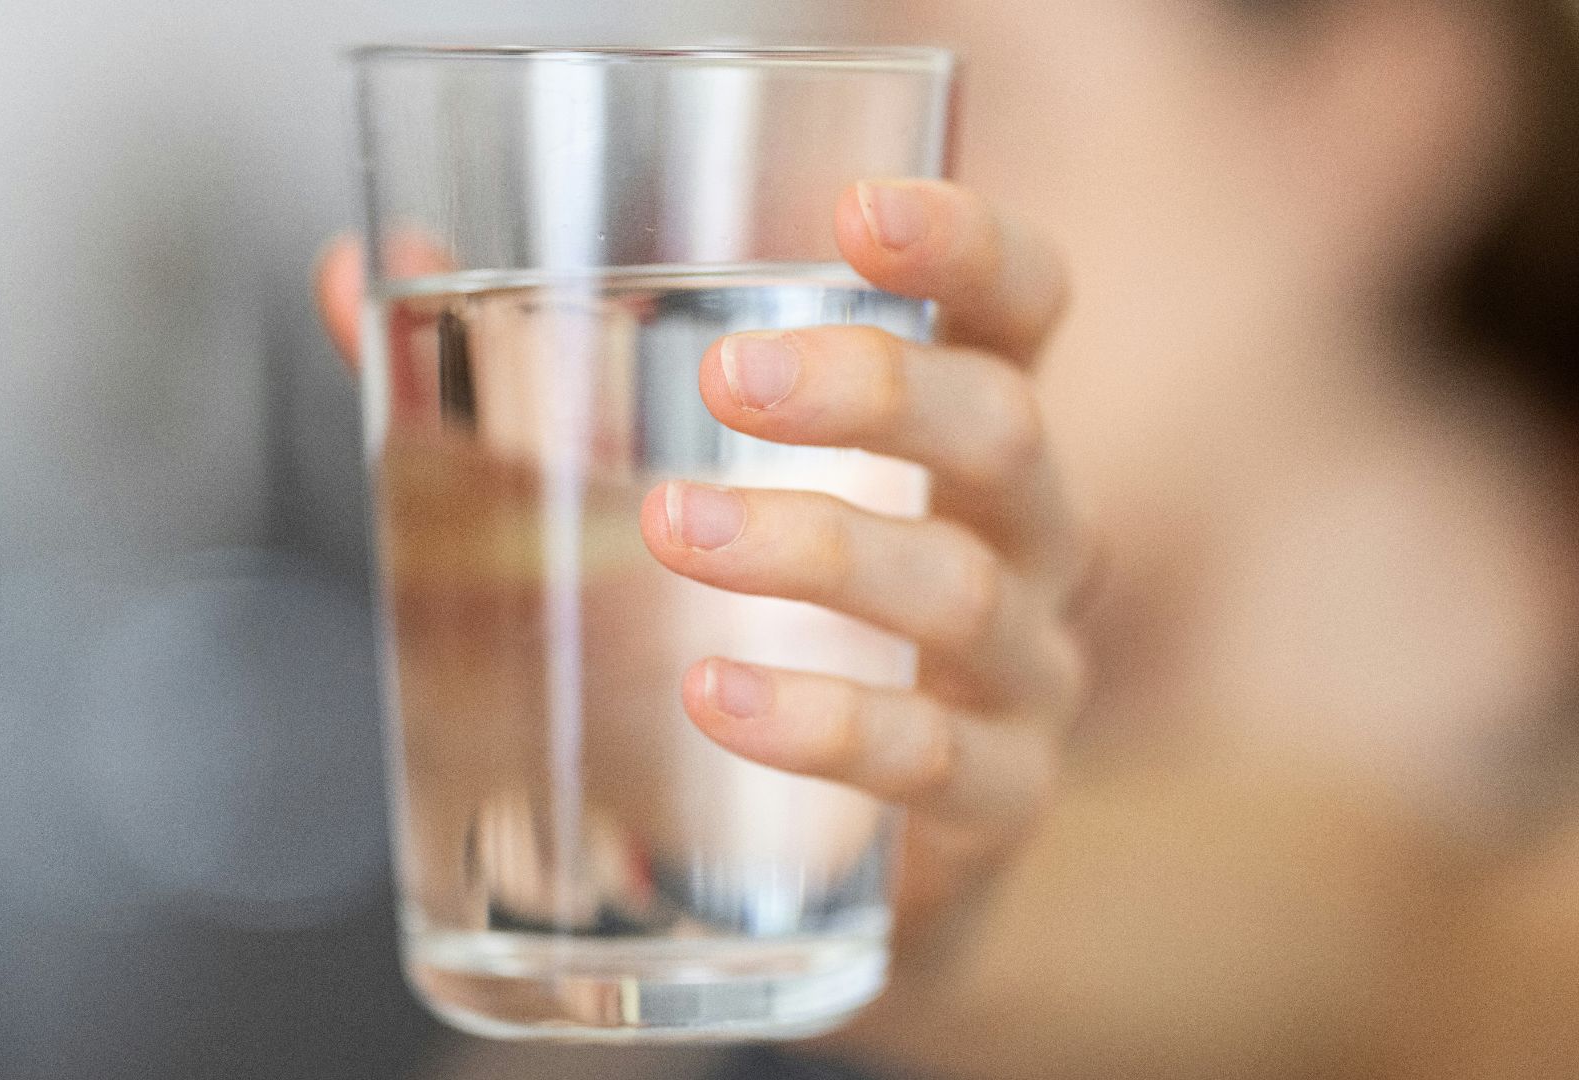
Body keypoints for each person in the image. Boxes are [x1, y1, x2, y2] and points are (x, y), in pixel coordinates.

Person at [317, 0, 1579, 1075]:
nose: (811, 229)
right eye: (812, 138)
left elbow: (1420, 964)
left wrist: (970, 944)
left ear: (1381, 110)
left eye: (971, 114)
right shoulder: (834, 788)